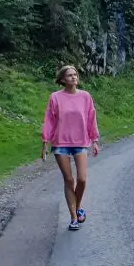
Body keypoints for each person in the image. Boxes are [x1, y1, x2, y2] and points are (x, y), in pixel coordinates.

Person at [41, 65, 100, 230]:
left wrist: (95, 140)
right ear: (62, 79)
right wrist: (45, 141)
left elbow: (91, 118)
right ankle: (74, 218)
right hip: (60, 144)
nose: (74, 77)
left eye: (75, 74)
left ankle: (78, 205)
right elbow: (49, 120)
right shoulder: (55, 97)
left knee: (81, 179)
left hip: (81, 142)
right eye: (69, 75)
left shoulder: (85, 96)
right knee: (69, 180)